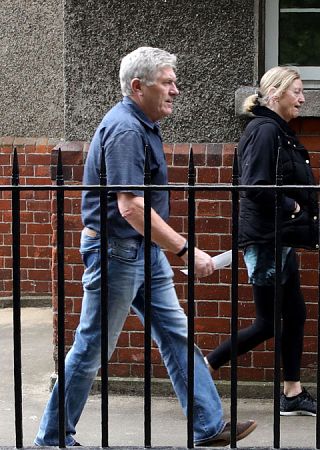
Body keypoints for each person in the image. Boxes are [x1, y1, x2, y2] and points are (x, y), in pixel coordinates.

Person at [34, 47, 256, 447]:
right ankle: (51, 439)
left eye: (174, 81)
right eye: (167, 82)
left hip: (141, 252)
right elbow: (131, 207)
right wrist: (185, 250)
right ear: (138, 86)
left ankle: (208, 426)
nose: (176, 90)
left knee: (176, 334)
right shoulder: (126, 130)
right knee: (91, 349)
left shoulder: (142, 125)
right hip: (117, 253)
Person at [205, 66, 320, 417]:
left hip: (280, 238)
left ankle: (292, 392)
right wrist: (291, 205)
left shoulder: (277, 130)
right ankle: (204, 367)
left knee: (295, 314)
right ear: (275, 93)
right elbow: (255, 186)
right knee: (268, 323)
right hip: (268, 239)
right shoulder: (263, 131)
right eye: (297, 91)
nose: (303, 98)